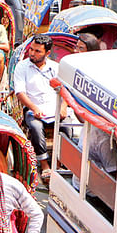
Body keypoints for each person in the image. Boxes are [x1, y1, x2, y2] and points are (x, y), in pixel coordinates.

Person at [13, 34, 71, 183]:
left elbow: (65, 91)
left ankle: (58, 163)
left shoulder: (56, 68)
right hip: (34, 109)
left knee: (67, 128)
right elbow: (20, 92)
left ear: (47, 53)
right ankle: (44, 164)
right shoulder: (22, 67)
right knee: (36, 127)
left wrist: (63, 107)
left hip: (55, 109)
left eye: (37, 51)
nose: (32, 53)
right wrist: (34, 108)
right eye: (31, 49)